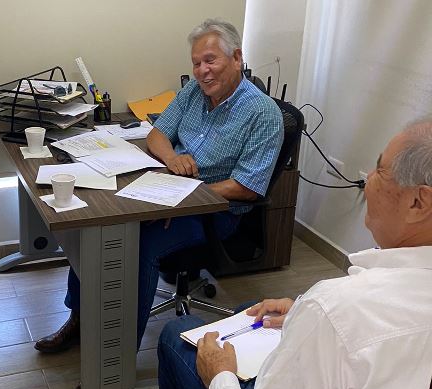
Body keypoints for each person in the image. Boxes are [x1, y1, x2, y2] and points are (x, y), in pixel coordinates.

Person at [143, 118, 432, 389]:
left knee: (176, 335)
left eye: (380, 170)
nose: (368, 178)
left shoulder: (336, 311)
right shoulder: (345, 311)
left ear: (418, 203)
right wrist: (302, 313)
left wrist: (220, 377)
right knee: (251, 312)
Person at [35, 18, 284, 354]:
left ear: (237, 58)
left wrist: (183, 199)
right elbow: (157, 134)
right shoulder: (193, 92)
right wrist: (172, 160)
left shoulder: (263, 113)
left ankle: (118, 356)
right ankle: (79, 319)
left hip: (214, 212)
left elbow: (246, 187)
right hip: (168, 188)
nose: (202, 71)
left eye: (210, 60)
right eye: (196, 63)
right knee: (96, 228)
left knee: (140, 245)